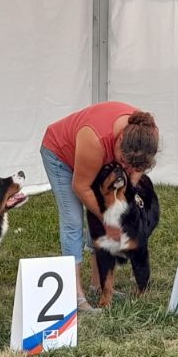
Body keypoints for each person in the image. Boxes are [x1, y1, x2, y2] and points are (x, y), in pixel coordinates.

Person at [41, 101, 159, 312]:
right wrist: (110, 218)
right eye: (124, 162)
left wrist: (130, 186)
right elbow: (81, 187)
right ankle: (75, 295)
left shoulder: (147, 135)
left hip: (92, 157)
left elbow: (136, 169)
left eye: (134, 166)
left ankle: (98, 284)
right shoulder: (95, 139)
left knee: (100, 215)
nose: (126, 168)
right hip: (59, 154)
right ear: (120, 139)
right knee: (74, 221)